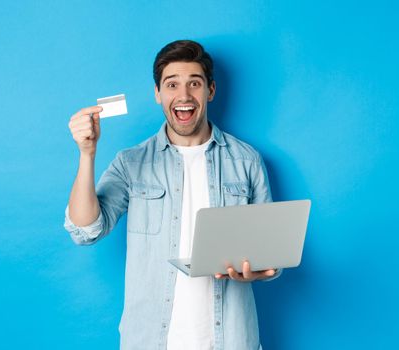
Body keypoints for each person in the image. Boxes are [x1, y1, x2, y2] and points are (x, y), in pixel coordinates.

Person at [64, 40, 281, 350]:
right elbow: (86, 230)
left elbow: (271, 256)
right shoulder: (131, 162)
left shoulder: (247, 160)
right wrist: (87, 153)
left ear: (211, 91)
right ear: (158, 94)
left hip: (233, 340)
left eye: (194, 83)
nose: (183, 95)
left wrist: (259, 271)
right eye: (172, 84)